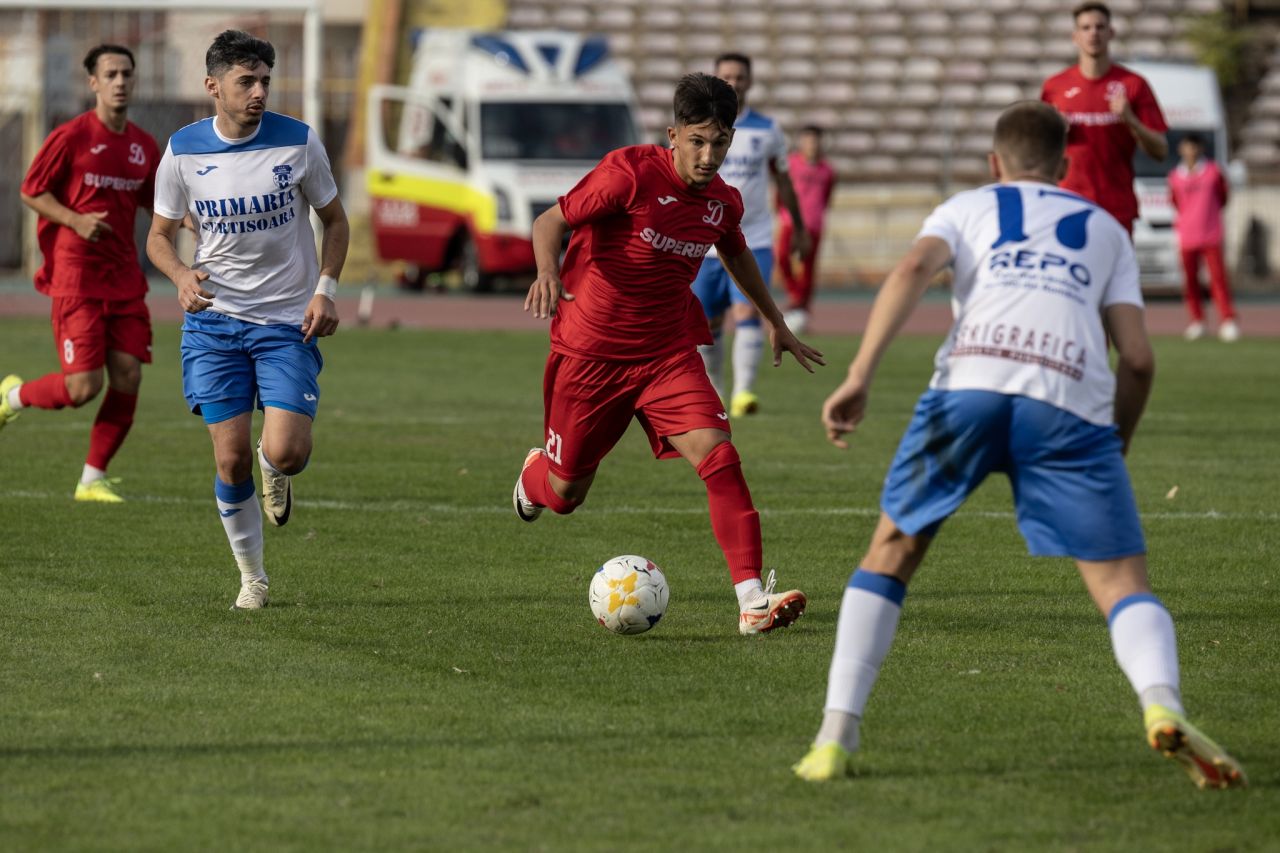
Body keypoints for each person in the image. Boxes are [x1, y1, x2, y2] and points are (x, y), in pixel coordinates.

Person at [793, 101, 1246, 790]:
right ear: (1065, 166)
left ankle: (834, 735)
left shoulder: (968, 205)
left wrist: (859, 374)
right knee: (1121, 584)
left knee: (891, 551)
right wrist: (1110, 446)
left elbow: (916, 265)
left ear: (993, 163)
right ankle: (1163, 702)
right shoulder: (1103, 228)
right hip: (1066, 402)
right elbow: (1141, 358)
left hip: (968, 386)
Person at [514, 72, 824, 635]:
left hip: (666, 354)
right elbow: (549, 221)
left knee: (720, 456)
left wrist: (776, 321)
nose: (709, 156)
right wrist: (545, 273)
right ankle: (534, 478)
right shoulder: (628, 173)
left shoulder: (722, 203)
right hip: (590, 356)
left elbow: (737, 255)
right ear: (673, 134)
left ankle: (752, 600)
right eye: (698, 141)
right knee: (565, 494)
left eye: (721, 142)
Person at [146, 30, 349, 610]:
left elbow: (335, 221)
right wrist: (183, 277)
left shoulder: (299, 142)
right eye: (245, 81)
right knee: (227, 457)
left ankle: (273, 464)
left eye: (264, 80)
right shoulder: (182, 150)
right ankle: (253, 578)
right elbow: (159, 237)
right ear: (213, 87)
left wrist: (326, 290)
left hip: (287, 321)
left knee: (287, 453)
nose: (258, 91)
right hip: (214, 325)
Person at [1, 45, 161, 502]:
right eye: (110, 73)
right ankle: (12, 397)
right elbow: (32, 190)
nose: (120, 81)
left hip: (125, 278)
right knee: (82, 388)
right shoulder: (71, 136)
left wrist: (188, 219)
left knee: (128, 375)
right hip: (77, 279)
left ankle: (92, 479)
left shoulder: (143, 145)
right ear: (92, 82)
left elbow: (154, 201)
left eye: (127, 73)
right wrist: (74, 219)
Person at [691, 53, 810, 417]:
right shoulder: (698, 128)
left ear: (750, 81)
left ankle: (744, 393)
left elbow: (784, 180)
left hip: (752, 238)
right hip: (703, 242)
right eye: (727, 75)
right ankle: (716, 393)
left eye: (740, 76)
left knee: (748, 309)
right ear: (717, 78)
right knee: (707, 323)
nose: (735, 82)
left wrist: (799, 228)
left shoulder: (767, 129)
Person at [1040, 1, 1168, 234]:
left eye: (1100, 27)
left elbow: (1161, 151)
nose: (1093, 33)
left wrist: (1131, 120)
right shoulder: (1054, 87)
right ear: (1075, 36)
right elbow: (1039, 153)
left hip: (1116, 208)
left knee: (1117, 272)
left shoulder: (1133, 85)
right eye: (1086, 28)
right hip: (1068, 205)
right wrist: (1056, 133)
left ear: (1111, 33)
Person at [1169, 133, 1239, 342]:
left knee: (1218, 279)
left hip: (1210, 234)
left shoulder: (1213, 172)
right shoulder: (1175, 176)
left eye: (1194, 147)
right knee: (1190, 281)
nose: (1190, 151)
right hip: (1187, 235)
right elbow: (1175, 201)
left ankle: (1227, 320)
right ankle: (1197, 321)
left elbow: (1224, 197)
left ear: (1200, 149)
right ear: (1181, 149)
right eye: (1186, 146)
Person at [775, 125, 837, 334]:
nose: (812, 144)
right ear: (801, 142)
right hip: (790, 222)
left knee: (809, 268)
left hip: (813, 224)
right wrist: (782, 211)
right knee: (782, 257)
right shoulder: (790, 164)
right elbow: (780, 189)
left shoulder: (828, 170)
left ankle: (802, 307)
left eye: (816, 140)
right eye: (808, 140)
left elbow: (827, 196)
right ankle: (796, 295)